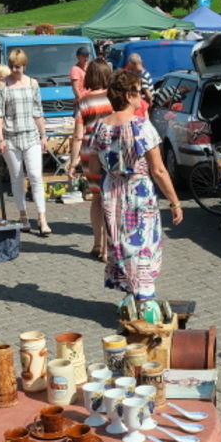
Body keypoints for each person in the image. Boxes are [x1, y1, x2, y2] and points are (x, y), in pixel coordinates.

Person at [86, 69, 183, 308]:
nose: (142, 96)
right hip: (137, 193)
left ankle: (130, 296)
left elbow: (95, 167)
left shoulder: (100, 127)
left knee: (121, 244)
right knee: (142, 246)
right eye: (139, 92)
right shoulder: (142, 126)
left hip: (112, 193)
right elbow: (159, 170)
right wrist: (175, 201)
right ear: (129, 95)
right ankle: (145, 302)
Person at [0, 49, 52, 235]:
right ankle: (23, 215)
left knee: (35, 176)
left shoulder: (33, 83)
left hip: (31, 135)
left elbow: (38, 111)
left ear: (24, 65)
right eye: (12, 66)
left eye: (17, 66)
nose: (14, 70)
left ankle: (42, 218)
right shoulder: (2, 86)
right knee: (17, 178)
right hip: (11, 137)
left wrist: (43, 135)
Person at [69, 59, 114, 260]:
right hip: (112, 151)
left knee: (97, 198)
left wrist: (73, 161)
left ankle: (98, 244)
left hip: (90, 153)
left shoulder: (84, 102)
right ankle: (107, 248)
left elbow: (78, 135)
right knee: (110, 200)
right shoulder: (114, 99)